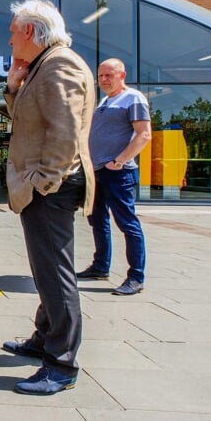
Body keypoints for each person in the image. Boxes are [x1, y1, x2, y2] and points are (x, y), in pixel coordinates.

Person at [0, 0, 95, 396]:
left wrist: (44, 182)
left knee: (56, 273)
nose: (9, 41)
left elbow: (65, 133)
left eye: (11, 33)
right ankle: (44, 338)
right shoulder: (41, 66)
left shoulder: (61, 64)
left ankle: (62, 363)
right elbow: (27, 118)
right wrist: (12, 86)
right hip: (43, 185)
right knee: (45, 270)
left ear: (28, 31)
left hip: (50, 188)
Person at [78, 58, 151, 295]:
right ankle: (100, 266)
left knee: (127, 223)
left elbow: (144, 135)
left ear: (122, 75)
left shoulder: (133, 98)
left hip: (118, 173)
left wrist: (118, 162)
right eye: (101, 76)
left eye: (109, 75)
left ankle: (136, 277)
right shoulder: (104, 101)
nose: (104, 80)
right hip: (97, 171)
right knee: (97, 220)